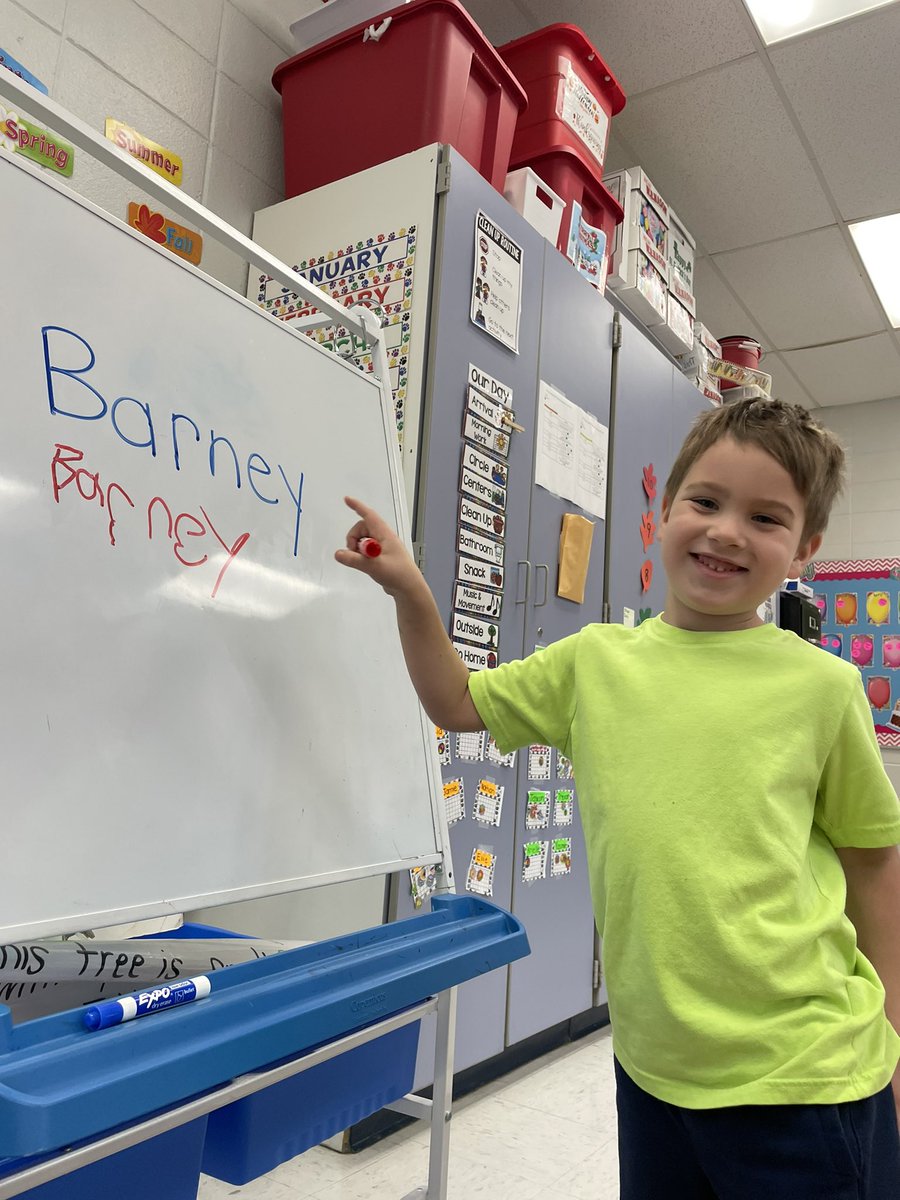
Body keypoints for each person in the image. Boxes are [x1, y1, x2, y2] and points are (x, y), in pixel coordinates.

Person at [336, 396, 900, 1198]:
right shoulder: (595, 664)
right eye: (705, 502)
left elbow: (873, 862)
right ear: (662, 512)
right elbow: (456, 702)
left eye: (765, 518)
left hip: (804, 1076)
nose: (727, 531)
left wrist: (895, 1038)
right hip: (653, 1069)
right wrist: (410, 593)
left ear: (805, 549)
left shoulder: (824, 686)